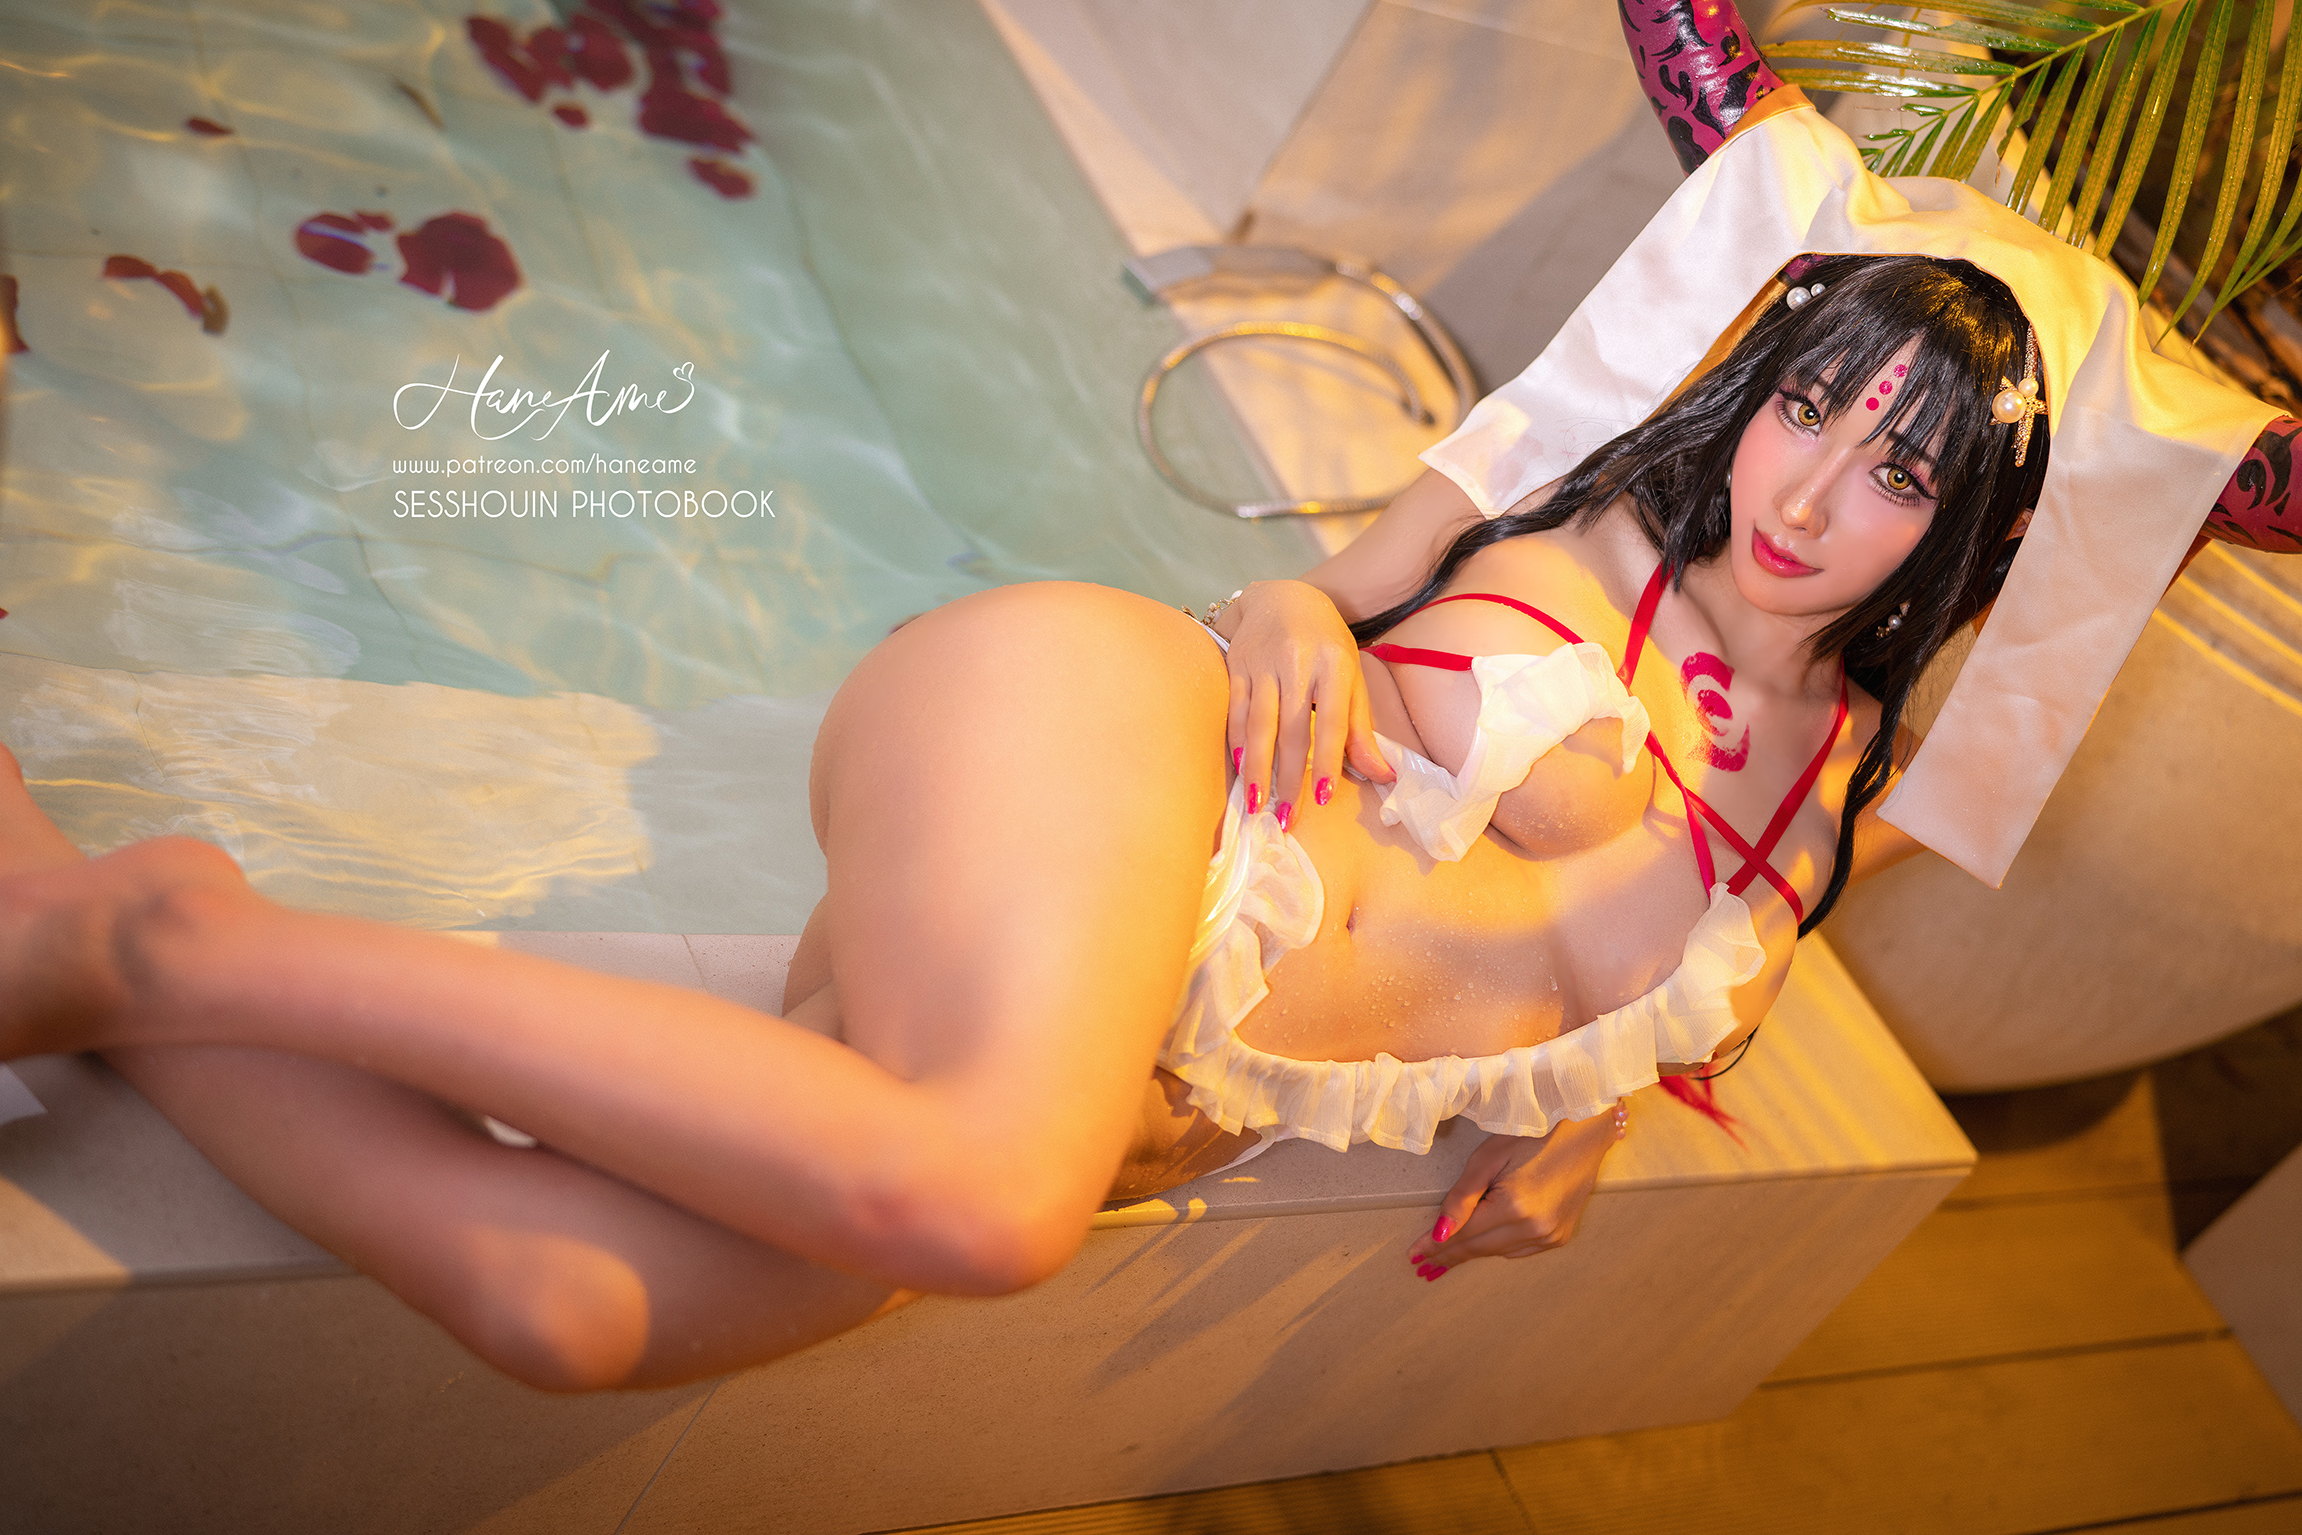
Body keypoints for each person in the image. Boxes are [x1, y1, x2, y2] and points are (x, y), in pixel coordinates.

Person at [0, 16, 2276, 1397]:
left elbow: (1676, 991)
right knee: (986, 1207)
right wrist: (1297, 616)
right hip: (1096, 753)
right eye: (1809, 407)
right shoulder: (1580, 524)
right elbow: (1311, 585)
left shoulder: (1831, 788)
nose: (1806, 494)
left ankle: (129, 949)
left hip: (1092, 1042)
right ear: (1747, 386)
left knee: (557, 1310)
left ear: (1969, 537)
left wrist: (1585, 1108)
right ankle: (151, 945)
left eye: (1901, 474)